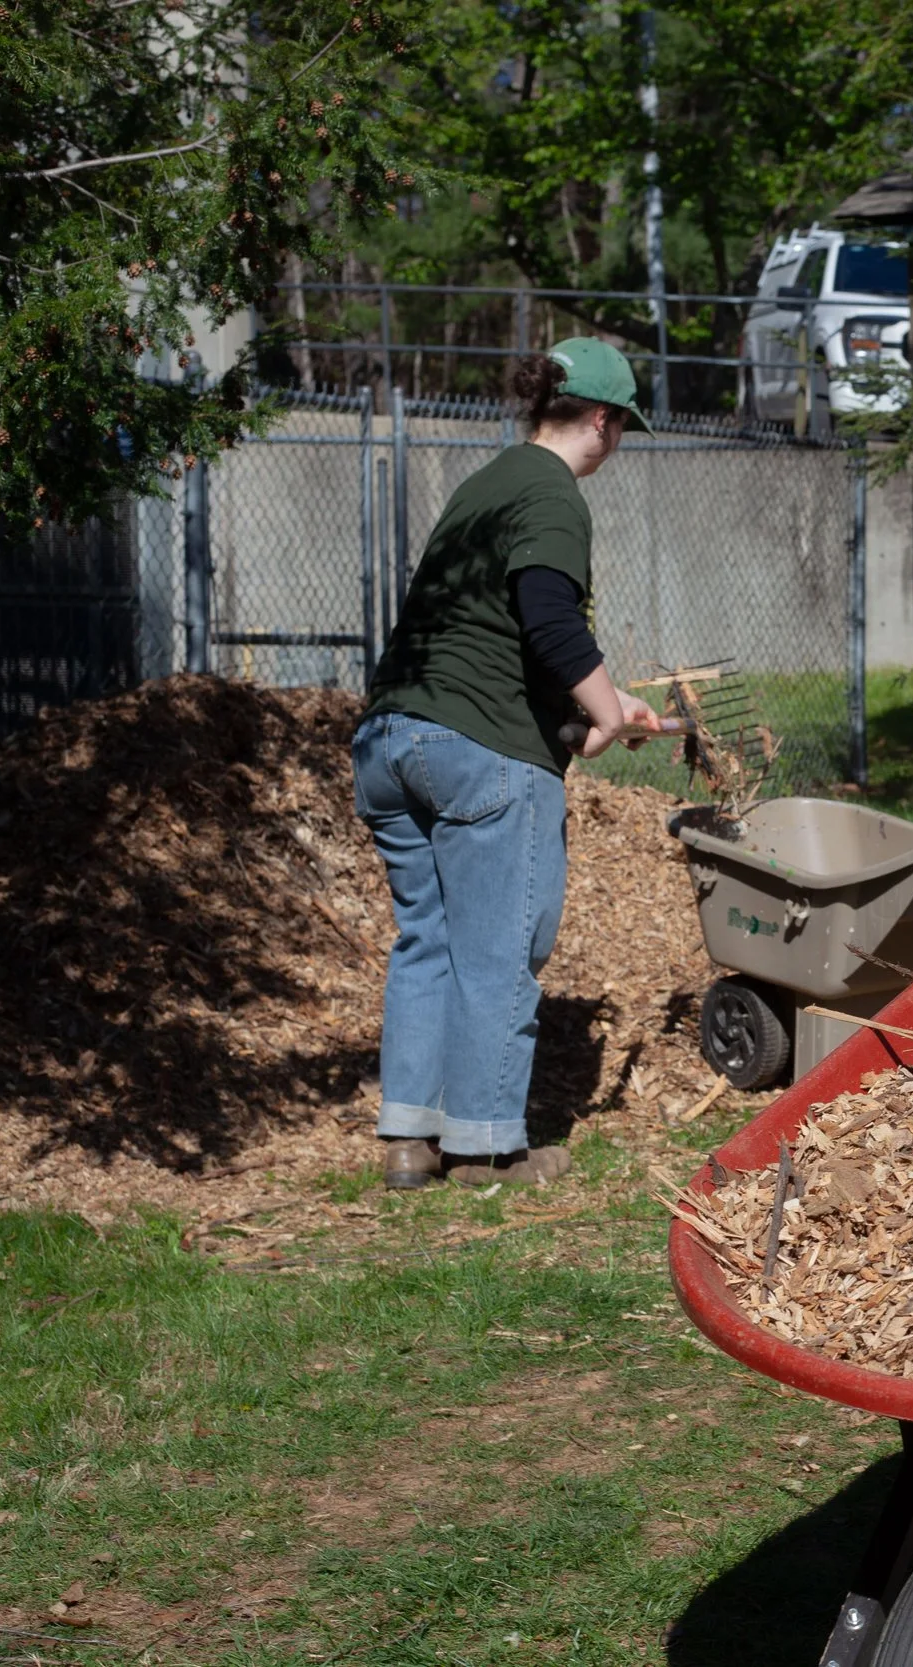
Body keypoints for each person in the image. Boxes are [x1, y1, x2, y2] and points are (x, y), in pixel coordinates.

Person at [353, 338, 664, 1190]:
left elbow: (485, 635)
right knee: (498, 948)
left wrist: (584, 721)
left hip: (393, 738)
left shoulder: (485, 484)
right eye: (620, 427)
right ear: (602, 421)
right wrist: (607, 709)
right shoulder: (553, 493)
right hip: (476, 753)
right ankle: (486, 1147)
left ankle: (410, 1141)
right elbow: (546, 615)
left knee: (429, 939)